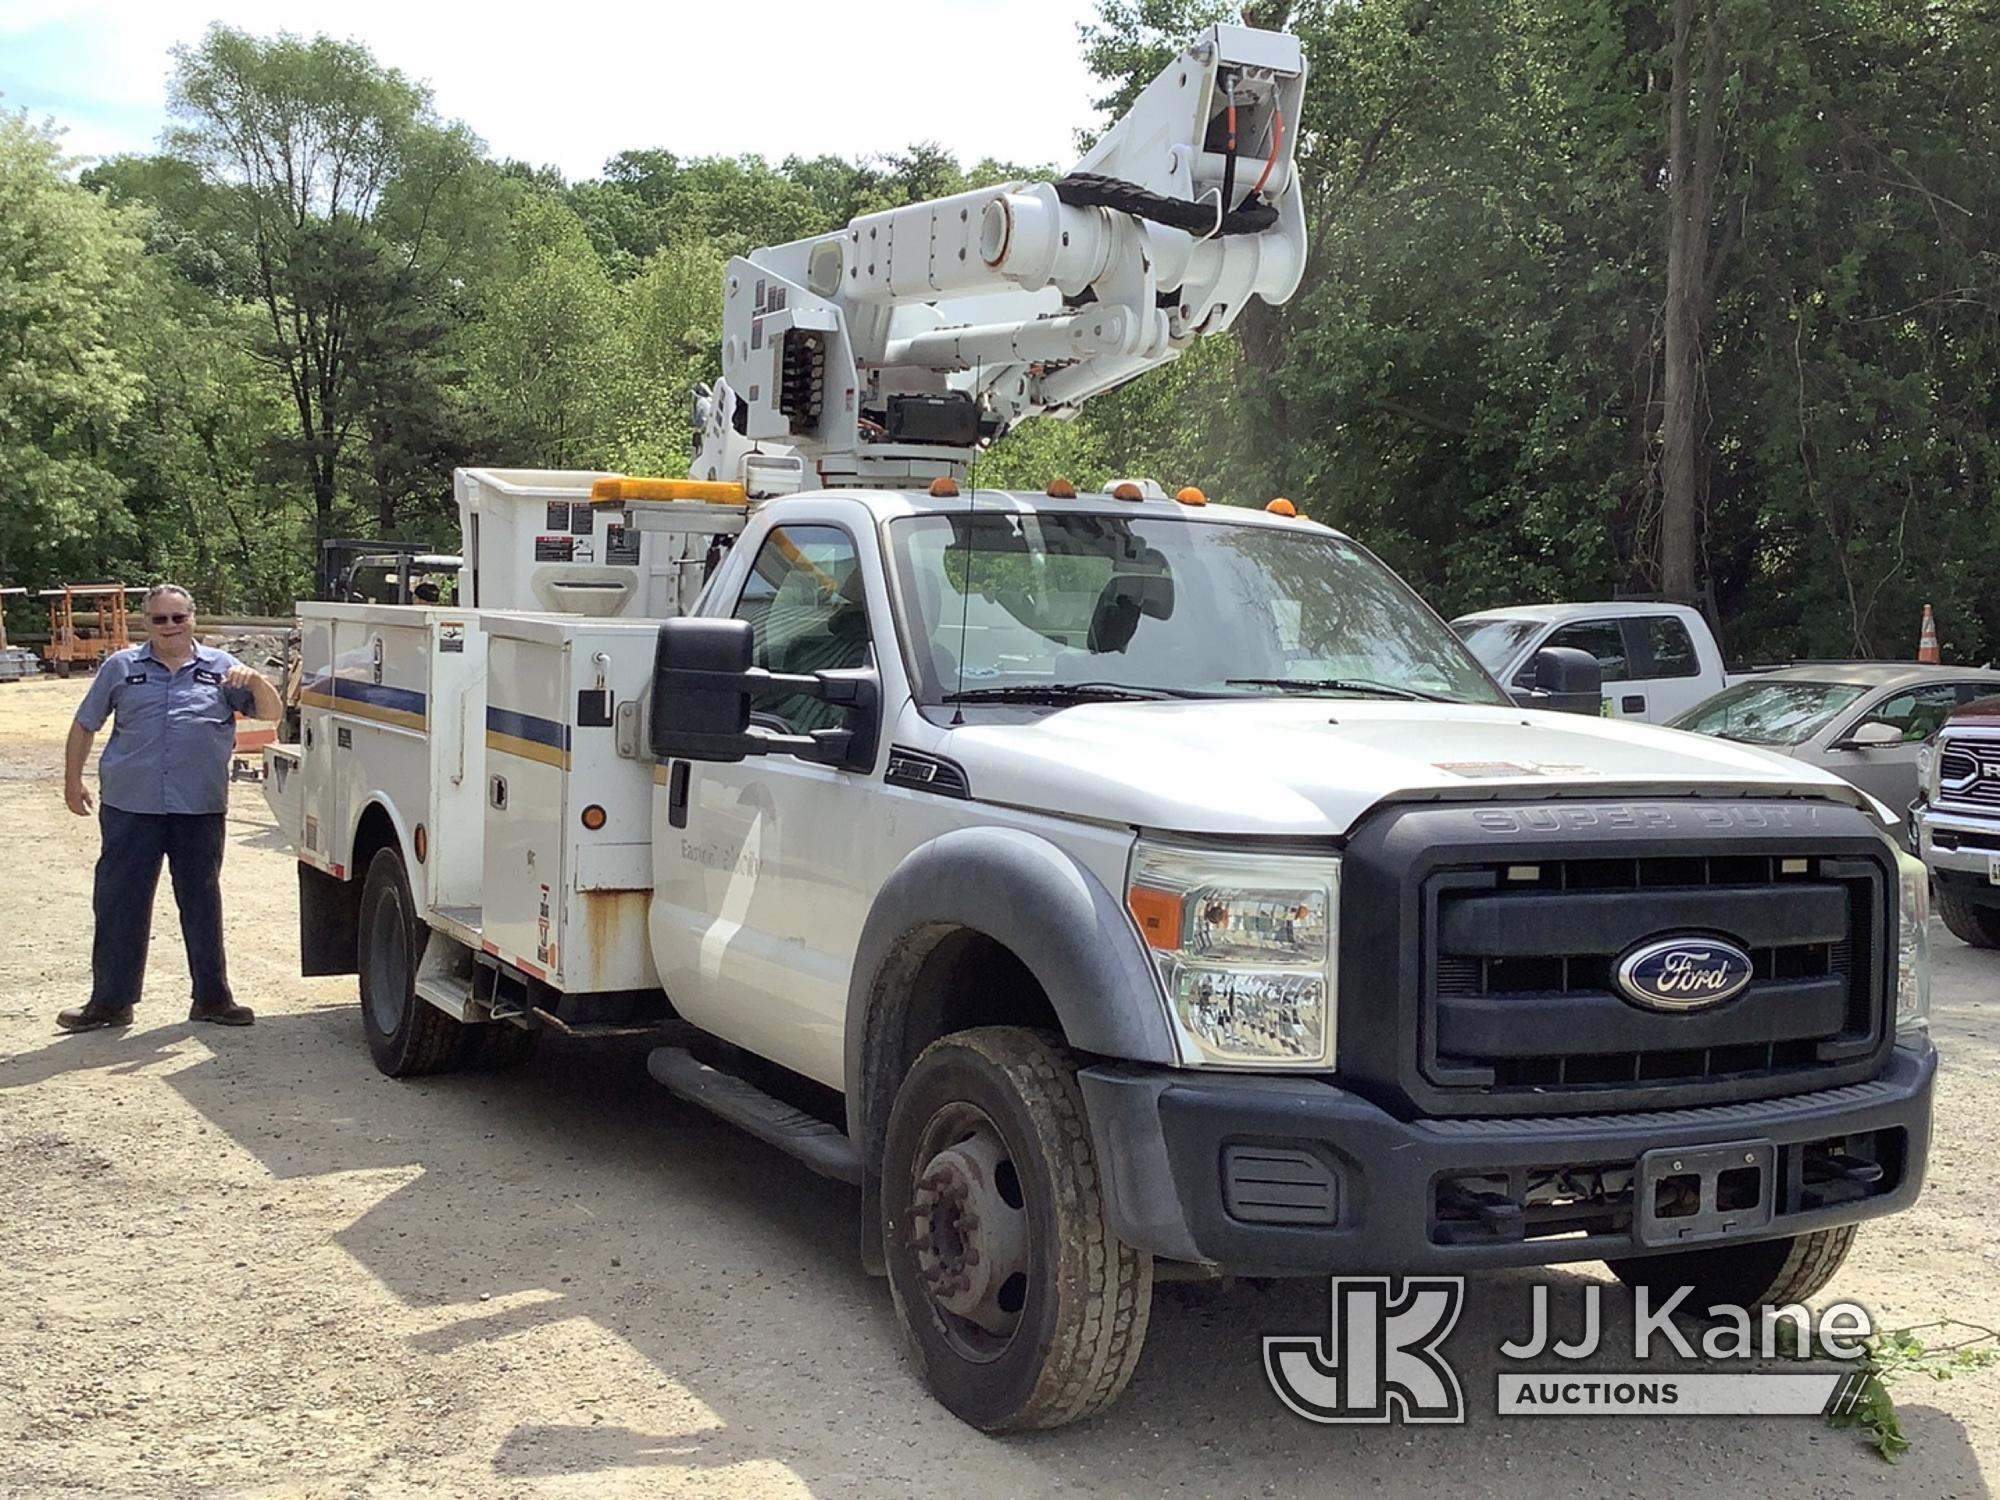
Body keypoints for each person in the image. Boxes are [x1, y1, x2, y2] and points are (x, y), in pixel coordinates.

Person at [56, 584, 283, 1033]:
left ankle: (213, 999)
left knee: (201, 902)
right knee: (120, 902)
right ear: (147, 624)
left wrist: (256, 680)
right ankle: (110, 1003)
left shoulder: (224, 669)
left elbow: (271, 715)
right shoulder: (120, 667)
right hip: (130, 805)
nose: (170, 627)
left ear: (192, 619)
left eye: (178, 618)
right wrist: (72, 780)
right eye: (160, 620)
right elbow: (85, 724)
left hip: (197, 806)